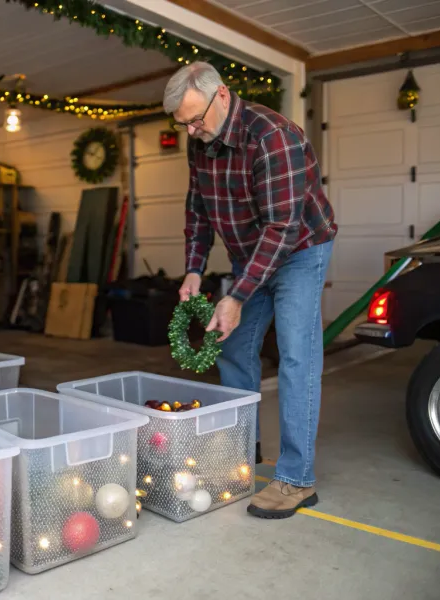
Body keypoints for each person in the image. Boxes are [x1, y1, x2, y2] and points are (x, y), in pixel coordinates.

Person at [163, 62, 338, 519]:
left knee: (297, 354)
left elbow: (282, 227)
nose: (192, 130)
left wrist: (236, 295)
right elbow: (198, 209)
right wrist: (195, 270)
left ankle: (296, 479)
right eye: (183, 123)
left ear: (222, 94)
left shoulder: (271, 136)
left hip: (299, 248)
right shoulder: (197, 138)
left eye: (196, 118)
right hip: (250, 253)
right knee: (234, 349)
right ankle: (242, 454)